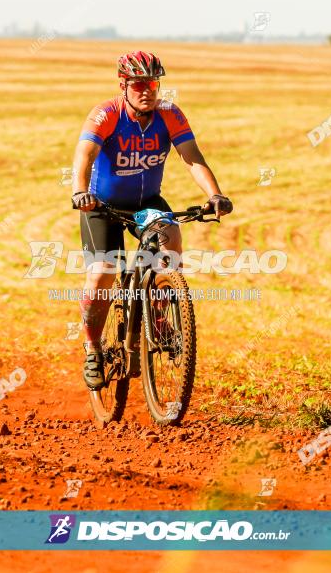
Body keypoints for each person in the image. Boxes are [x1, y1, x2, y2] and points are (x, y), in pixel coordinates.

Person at [71, 50, 233, 390]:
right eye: (139, 84)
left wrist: (215, 194)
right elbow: (84, 154)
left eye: (153, 84)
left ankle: (159, 313)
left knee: (171, 235)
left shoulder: (169, 114)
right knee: (103, 272)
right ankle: (92, 348)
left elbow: (192, 158)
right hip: (101, 205)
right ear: (123, 85)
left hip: (146, 203)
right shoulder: (106, 114)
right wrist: (79, 191)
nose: (147, 91)